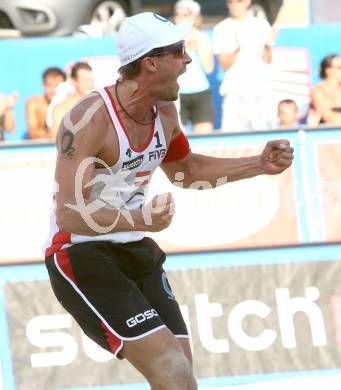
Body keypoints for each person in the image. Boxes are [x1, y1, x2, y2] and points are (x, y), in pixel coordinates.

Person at [44, 12, 293, 389]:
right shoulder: (88, 120)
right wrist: (141, 219)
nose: (189, 60)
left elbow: (187, 173)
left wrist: (259, 164)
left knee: (182, 375)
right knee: (172, 370)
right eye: (180, 51)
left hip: (135, 247)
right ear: (151, 61)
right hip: (80, 253)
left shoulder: (164, 112)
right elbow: (69, 215)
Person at [212, 0, 276, 131]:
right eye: (230, 1)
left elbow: (268, 60)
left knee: (265, 135)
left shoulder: (261, 25)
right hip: (234, 93)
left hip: (260, 90)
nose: (234, 4)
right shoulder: (221, 29)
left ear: (247, 2)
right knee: (232, 138)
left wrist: (267, 45)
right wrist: (237, 48)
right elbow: (224, 65)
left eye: (238, 1)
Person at [173, 0, 215, 134]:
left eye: (185, 15)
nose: (180, 18)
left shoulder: (202, 37)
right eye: (177, 14)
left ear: (195, 17)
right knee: (178, 141)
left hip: (200, 92)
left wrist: (198, 44)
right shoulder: (170, 39)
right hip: (177, 93)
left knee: (205, 139)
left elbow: (209, 68)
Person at [50, 62, 95, 137]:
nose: (90, 84)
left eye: (91, 80)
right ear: (74, 81)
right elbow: (55, 137)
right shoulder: (61, 109)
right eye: (85, 81)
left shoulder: (101, 105)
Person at [26, 67, 66, 139]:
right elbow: (32, 133)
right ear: (43, 85)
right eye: (49, 85)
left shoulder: (71, 104)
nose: (54, 90)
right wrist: (54, 134)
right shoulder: (34, 103)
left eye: (57, 86)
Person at [310, 54, 341, 124]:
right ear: (328, 71)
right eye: (340, 67)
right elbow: (328, 117)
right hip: (330, 133)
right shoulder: (318, 91)